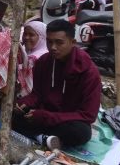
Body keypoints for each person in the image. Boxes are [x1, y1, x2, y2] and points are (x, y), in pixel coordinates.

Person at [13, 19, 101, 149]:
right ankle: (43, 138)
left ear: (73, 43)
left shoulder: (89, 72)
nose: (53, 47)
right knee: (13, 114)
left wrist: (46, 117)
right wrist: (25, 103)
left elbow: (88, 115)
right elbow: (37, 94)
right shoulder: (43, 62)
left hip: (67, 120)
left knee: (81, 132)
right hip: (44, 114)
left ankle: (39, 135)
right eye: (49, 42)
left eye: (59, 43)